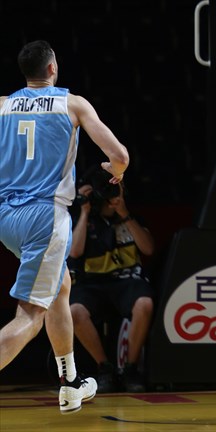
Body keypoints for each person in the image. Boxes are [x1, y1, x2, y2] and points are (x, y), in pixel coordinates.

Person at [0, 39, 129, 413]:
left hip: (7, 218)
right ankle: (69, 381)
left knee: (60, 287)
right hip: (45, 218)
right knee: (30, 316)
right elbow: (120, 155)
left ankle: (70, 382)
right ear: (52, 68)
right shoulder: (72, 104)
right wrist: (115, 171)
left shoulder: (4, 105)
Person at [69, 167, 155, 392]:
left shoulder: (131, 216)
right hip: (92, 283)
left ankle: (130, 369)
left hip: (127, 281)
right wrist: (84, 212)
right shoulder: (82, 218)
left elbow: (148, 249)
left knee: (145, 303)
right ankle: (104, 368)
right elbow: (74, 252)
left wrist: (124, 213)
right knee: (74, 311)